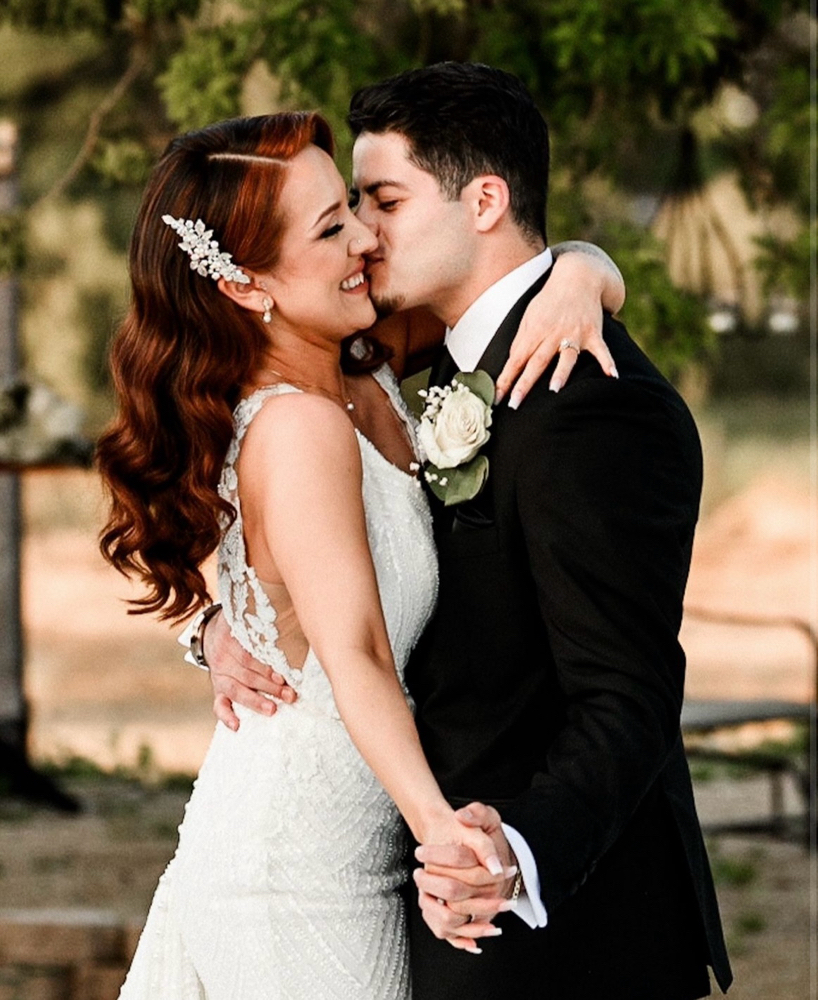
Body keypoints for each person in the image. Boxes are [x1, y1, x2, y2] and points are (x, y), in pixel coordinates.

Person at [205, 64, 733, 1000]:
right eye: (348, 211)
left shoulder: (594, 407)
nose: (364, 233)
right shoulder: (398, 353)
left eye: (384, 200)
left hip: (551, 928)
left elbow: (627, 694)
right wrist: (214, 624)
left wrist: (514, 855)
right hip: (378, 867)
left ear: (484, 199)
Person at [98, 108, 624, 1000]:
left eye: (352, 206)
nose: (364, 241)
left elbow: (508, 283)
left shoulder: (361, 362)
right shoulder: (297, 426)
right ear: (246, 284)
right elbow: (356, 652)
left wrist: (583, 273)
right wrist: (445, 837)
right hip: (291, 870)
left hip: (349, 849)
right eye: (331, 228)